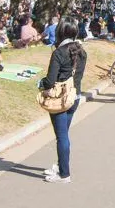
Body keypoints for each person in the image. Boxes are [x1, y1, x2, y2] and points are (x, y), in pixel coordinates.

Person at [42, 20, 87, 184]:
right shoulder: (82, 52)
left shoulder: (59, 53)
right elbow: (79, 76)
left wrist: (42, 84)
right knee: (64, 135)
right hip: (74, 97)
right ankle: (61, 165)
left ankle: (64, 174)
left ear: (60, 32)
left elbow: (50, 80)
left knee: (62, 137)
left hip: (60, 99)